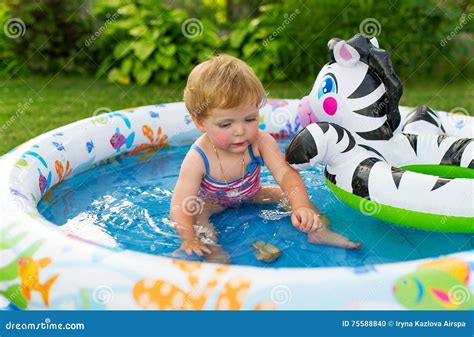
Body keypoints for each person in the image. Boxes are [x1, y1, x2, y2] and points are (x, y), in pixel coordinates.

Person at [170, 54, 360, 263]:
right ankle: (213, 252)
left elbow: (286, 174)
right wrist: (187, 237)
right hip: (211, 203)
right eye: (226, 125)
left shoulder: (260, 142)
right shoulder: (198, 158)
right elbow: (181, 204)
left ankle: (318, 231)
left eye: (250, 119)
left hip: (252, 193)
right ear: (200, 122)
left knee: (292, 197)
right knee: (198, 217)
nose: (240, 131)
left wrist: (301, 206)